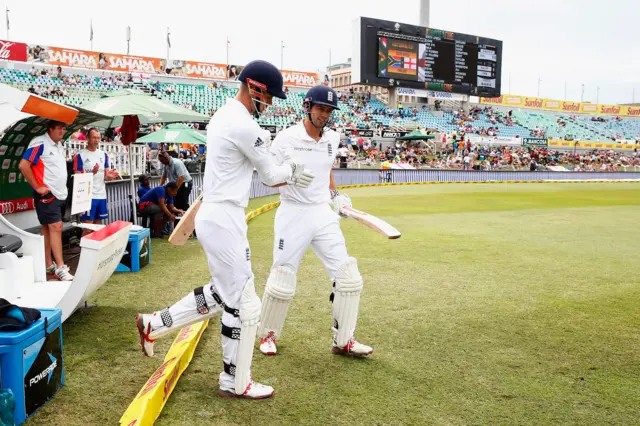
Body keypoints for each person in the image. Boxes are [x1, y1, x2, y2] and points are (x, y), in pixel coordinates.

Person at [135, 60, 315, 399]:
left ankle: (154, 324)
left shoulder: (223, 115)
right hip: (224, 217)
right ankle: (235, 380)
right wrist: (292, 167)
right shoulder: (242, 123)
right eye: (269, 96)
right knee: (244, 304)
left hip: (218, 213)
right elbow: (272, 176)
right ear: (254, 86)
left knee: (223, 294)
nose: (271, 104)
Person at [257, 85, 373, 358]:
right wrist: (291, 175)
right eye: (321, 108)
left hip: (323, 213)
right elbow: (268, 176)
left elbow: (327, 169)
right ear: (307, 106)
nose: (325, 115)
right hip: (293, 212)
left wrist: (335, 196)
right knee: (283, 275)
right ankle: (268, 334)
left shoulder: (332, 138)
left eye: (329, 110)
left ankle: (344, 339)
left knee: (348, 276)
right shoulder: (285, 138)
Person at [18, 120, 74, 281]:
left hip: (60, 194)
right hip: (47, 194)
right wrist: (37, 187)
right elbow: (23, 165)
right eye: (59, 128)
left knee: (47, 229)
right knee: (56, 226)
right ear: (50, 129)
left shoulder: (59, 145)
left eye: (64, 128)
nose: (62, 131)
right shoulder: (39, 142)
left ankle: (48, 264)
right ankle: (61, 267)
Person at [72, 128, 113, 233]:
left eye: (98, 137)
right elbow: (78, 179)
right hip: (87, 197)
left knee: (97, 227)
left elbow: (106, 177)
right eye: (94, 137)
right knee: (88, 227)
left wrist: (110, 176)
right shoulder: (80, 155)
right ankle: (85, 249)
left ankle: (95, 249)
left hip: (101, 195)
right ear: (87, 138)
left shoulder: (103, 155)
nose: (96, 140)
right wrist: (91, 174)